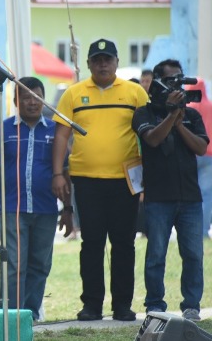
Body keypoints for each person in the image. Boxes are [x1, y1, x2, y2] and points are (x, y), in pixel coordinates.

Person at [51, 38, 148, 322]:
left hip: (125, 180)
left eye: (108, 59)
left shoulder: (135, 92)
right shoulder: (73, 93)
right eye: (97, 60)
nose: (103, 64)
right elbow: (61, 136)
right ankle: (92, 305)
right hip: (86, 180)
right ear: (88, 64)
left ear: (117, 62)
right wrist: (57, 173)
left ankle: (122, 305)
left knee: (124, 244)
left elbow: (147, 134)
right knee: (92, 243)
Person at [0, 77, 73, 321]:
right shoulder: (2, 130)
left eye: (37, 97)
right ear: (15, 101)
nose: (32, 102)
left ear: (44, 100)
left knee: (40, 265)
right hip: (14, 209)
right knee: (14, 265)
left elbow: (65, 173)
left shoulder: (56, 132)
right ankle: (11, 317)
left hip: (46, 209)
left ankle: (30, 315)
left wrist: (68, 209)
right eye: (26, 98)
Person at [132, 59, 208, 321]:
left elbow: (201, 147)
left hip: (190, 198)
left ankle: (191, 305)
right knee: (156, 254)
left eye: (180, 80)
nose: (177, 86)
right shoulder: (144, 113)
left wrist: (178, 122)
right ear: (158, 83)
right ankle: (155, 305)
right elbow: (153, 139)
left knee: (193, 254)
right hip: (158, 197)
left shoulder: (192, 115)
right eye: (171, 80)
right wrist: (171, 116)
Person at [185, 78, 212, 239]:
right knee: (206, 194)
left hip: (190, 154)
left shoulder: (187, 108)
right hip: (209, 155)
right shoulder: (210, 106)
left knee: (189, 194)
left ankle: (189, 230)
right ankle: (203, 231)